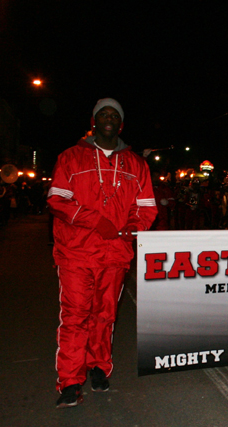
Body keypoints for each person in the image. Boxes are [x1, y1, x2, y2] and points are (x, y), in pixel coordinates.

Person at [47, 98, 157, 408]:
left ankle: (98, 367)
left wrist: (130, 229)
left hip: (115, 254)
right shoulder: (70, 157)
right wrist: (96, 221)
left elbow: (146, 207)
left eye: (114, 115)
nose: (108, 118)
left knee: (105, 315)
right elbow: (58, 200)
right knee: (75, 315)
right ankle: (69, 381)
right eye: (102, 113)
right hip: (76, 252)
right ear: (94, 121)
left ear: (120, 124)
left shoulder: (137, 164)